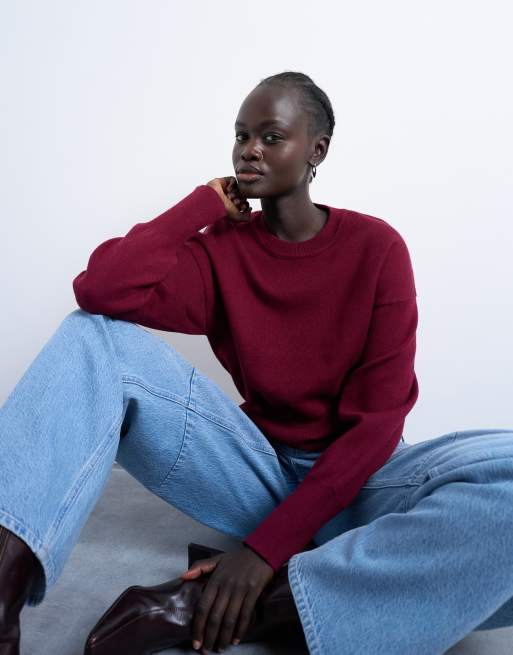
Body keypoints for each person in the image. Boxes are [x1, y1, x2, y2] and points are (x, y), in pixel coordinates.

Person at [1, 71, 513, 655]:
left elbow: (375, 428)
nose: (250, 149)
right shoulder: (221, 248)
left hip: (364, 477)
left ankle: (236, 605)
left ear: (317, 149)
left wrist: (262, 553)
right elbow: (100, 290)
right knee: (90, 336)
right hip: (255, 470)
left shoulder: (377, 249)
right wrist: (201, 204)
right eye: (242, 135)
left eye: (272, 137)